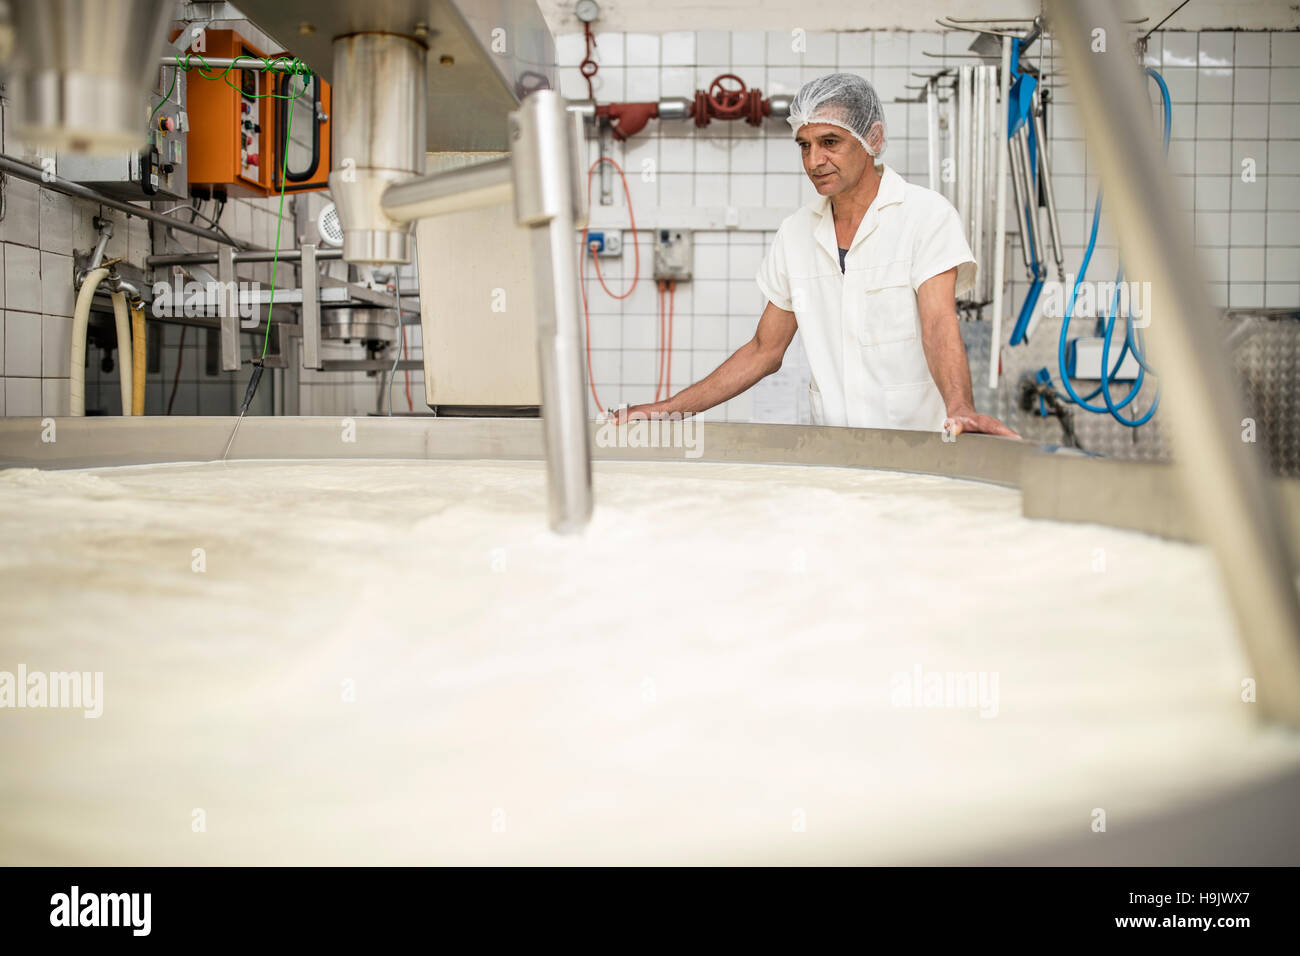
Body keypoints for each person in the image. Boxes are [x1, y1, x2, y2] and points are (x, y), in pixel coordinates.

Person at [614, 72, 1018, 438]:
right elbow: (763, 351)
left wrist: (961, 407)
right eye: (804, 145)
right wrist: (666, 411)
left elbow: (937, 325)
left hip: (919, 447)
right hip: (834, 453)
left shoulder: (925, 216)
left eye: (830, 143)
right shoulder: (796, 234)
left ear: (872, 139)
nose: (813, 161)